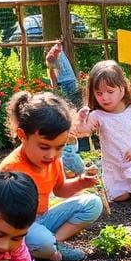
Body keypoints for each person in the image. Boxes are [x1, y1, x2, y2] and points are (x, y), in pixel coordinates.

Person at [0, 91, 102, 261]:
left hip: (44, 218)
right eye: (44, 147)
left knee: (93, 204)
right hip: (20, 227)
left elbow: (60, 190)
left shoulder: (52, 160)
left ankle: (55, 242)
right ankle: (44, 246)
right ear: (23, 136)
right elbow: (6, 218)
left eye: (59, 147)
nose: (52, 154)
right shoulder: (13, 168)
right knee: (42, 241)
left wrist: (80, 182)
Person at [78, 59, 131, 202]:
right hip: (116, 168)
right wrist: (81, 121)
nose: (105, 98)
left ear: (122, 89)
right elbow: (84, 132)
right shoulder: (97, 115)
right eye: (99, 93)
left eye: (110, 92)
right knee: (118, 197)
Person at [45, 40, 86, 176]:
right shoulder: (53, 56)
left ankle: (71, 164)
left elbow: (54, 73)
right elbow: (53, 73)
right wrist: (55, 85)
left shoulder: (58, 55)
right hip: (64, 83)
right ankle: (70, 167)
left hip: (67, 82)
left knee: (71, 117)